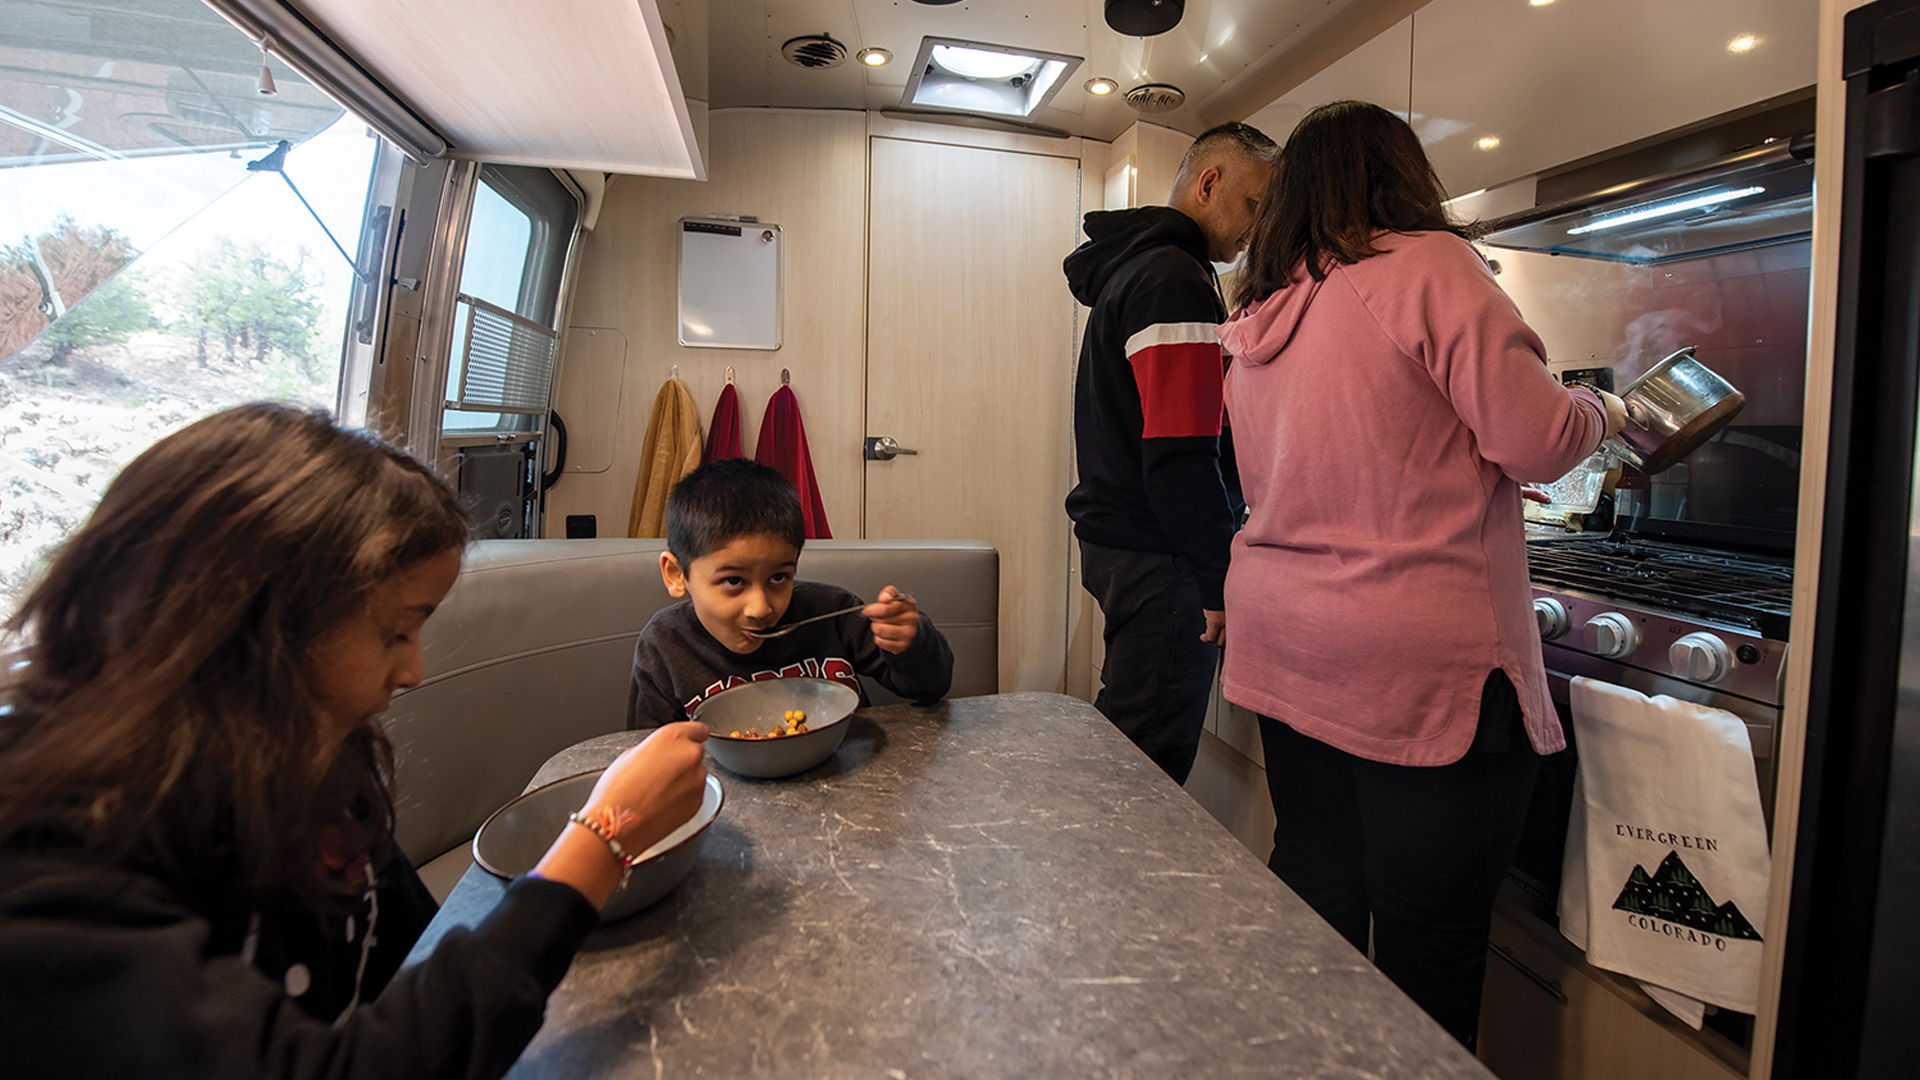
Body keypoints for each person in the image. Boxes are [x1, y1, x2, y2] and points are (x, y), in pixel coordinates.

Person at [0, 403, 710, 1079]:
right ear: (251, 627)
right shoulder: (50, 869)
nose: (414, 669)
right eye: (394, 632)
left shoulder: (309, 760)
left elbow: (416, 959)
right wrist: (603, 834)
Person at [1216, 100, 1629, 1048]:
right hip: (1417, 663)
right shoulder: (1430, 266)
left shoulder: (1258, 313)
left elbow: (1321, 466)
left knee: (1318, 890)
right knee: (1428, 942)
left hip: (1289, 645)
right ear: (1400, 177)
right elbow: (1535, 440)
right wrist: (1604, 409)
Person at [1063, 120, 1278, 784]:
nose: (1257, 229)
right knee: (1144, 769)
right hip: (1164, 556)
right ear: (1209, 182)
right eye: (1253, 206)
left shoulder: (1141, 267)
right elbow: (1183, 452)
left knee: (1128, 740)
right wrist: (1217, 575)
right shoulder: (1174, 279)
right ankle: (1101, 884)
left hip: (1131, 546)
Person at [626, 458, 953, 727]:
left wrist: (911, 640)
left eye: (779, 577)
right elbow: (648, 757)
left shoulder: (832, 613)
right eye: (733, 581)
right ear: (676, 574)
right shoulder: (665, 645)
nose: (761, 608)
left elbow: (928, 689)